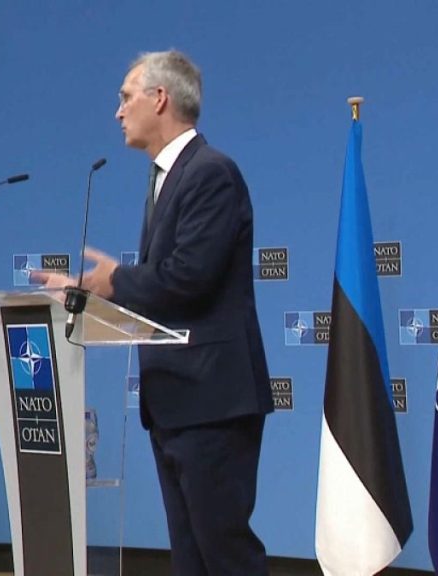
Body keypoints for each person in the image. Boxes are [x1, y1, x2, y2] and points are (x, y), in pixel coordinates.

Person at [42, 50, 274, 575]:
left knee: (224, 554)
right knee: (191, 556)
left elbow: (189, 278)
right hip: (178, 399)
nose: (118, 112)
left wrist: (115, 280)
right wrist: (90, 290)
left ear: (160, 98)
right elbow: (165, 283)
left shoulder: (211, 172)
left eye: (126, 98)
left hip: (212, 399)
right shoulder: (166, 176)